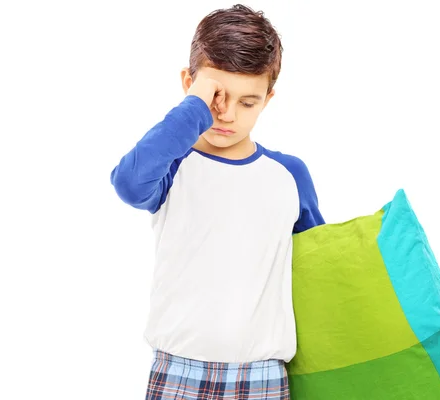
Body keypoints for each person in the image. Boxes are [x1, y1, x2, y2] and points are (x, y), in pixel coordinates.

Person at [110, 4, 325, 399]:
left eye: (248, 102)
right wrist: (194, 108)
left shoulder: (289, 175)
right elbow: (129, 183)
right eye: (215, 95)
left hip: (263, 373)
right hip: (178, 369)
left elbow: (316, 270)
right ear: (189, 85)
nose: (226, 114)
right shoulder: (172, 164)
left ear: (268, 99)